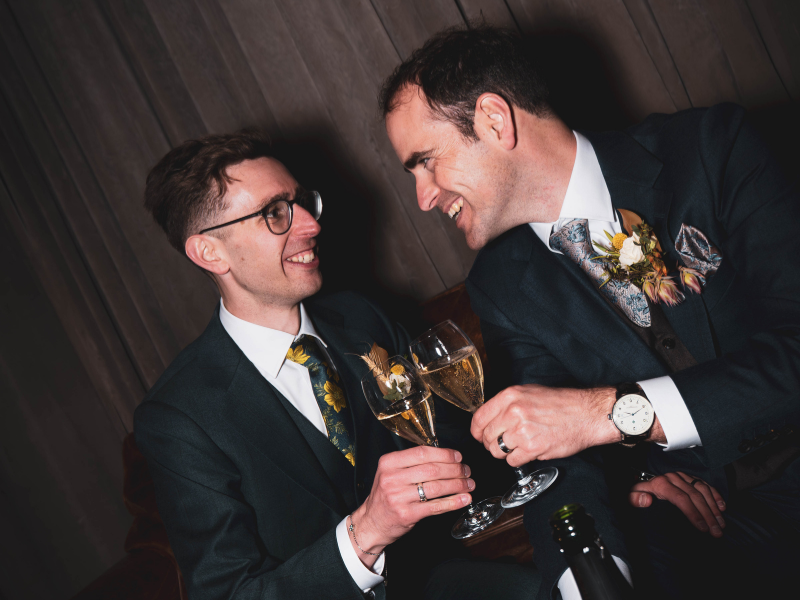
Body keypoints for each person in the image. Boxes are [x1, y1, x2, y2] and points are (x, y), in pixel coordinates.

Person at [380, 25, 800, 599]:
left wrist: (609, 415)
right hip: (709, 521)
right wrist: (597, 578)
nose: (423, 197)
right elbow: (554, 462)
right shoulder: (501, 284)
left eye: (425, 162)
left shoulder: (711, 149)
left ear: (494, 121)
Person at [134, 129, 543, 600]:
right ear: (209, 251)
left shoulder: (359, 316)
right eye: (274, 214)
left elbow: (447, 428)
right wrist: (365, 533)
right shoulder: (178, 417)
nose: (309, 224)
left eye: (303, 202)